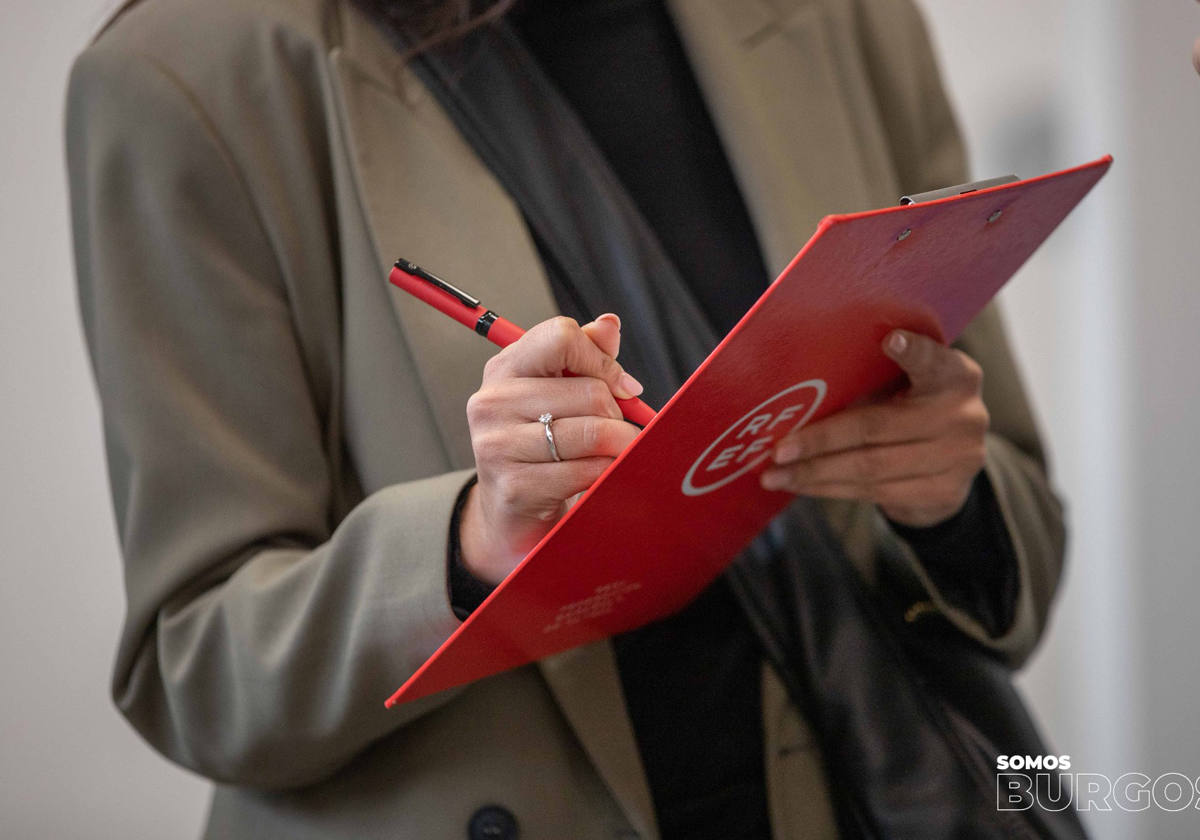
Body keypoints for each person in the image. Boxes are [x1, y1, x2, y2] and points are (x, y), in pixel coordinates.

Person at [66, 0, 1067, 837]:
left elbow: (1020, 516)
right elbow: (196, 668)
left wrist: (950, 497)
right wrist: (464, 548)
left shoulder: (839, 12)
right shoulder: (183, 74)